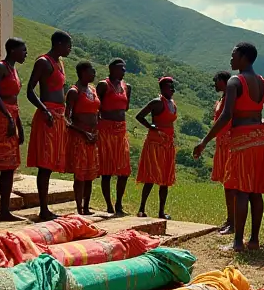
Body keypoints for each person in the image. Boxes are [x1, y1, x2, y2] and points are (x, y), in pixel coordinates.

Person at [193, 44, 264, 251]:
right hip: (262, 141)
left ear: (244, 57)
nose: (231, 60)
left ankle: (237, 243)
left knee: (241, 192)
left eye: (233, 55)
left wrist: (205, 140)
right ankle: (254, 241)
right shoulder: (262, 82)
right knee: (256, 192)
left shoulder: (236, 81)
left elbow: (226, 115)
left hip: (242, 143)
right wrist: (258, 127)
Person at [27, 31, 72, 220]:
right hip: (48, 115)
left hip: (59, 115)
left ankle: (45, 208)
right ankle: (43, 209)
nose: (70, 49)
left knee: (52, 162)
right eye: (68, 45)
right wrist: (44, 110)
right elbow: (30, 90)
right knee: (45, 164)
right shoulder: (43, 62)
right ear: (59, 44)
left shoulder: (59, 63)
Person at [0, 38, 27, 220]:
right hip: (0, 116)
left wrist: (19, 124)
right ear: (12, 50)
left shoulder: (14, 69)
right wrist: (7, 116)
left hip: (11, 116)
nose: (25, 53)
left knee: (9, 166)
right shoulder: (0, 67)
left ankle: (5, 210)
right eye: (22, 50)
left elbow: (14, 99)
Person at [137, 77, 180, 219]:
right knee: (151, 176)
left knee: (165, 179)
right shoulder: (157, 102)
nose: (172, 89)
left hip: (168, 144)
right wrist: (150, 126)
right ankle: (141, 208)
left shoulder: (172, 103)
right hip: (155, 143)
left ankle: (161, 212)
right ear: (162, 89)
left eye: (173, 87)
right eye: (169, 87)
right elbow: (140, 116)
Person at [97, 59, 133, 215]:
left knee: (124, 170)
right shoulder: (103, 85)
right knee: (107, 170)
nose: (123, 71)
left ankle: (119, 203)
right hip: (105, 129)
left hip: (121, 130)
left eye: (124, 69)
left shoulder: (127, 87)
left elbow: (126, 107)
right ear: (111, 69)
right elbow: (95, 106)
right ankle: (108, 205)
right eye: (120, 68)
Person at [66, 61, 102, 215]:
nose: (94, 74)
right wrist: (83, 132)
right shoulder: (74, 91)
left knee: (90, 174)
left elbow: (96, 112)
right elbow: (66, 118)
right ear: (83, 73)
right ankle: (79, 207)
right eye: (91, 71)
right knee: (80, 174)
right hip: (80, 136)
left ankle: (87, 206)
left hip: (92, 137)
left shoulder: (92, 90)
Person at [207, 71, 237, 235]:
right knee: (226, 185)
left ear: (224, 81)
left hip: (229, 143)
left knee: (230, 184)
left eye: (216, 80)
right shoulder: (222, 98)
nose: (214, 84)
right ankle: (229, 219)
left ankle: (233, 221)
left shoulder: (230, 99)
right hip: (221, 143)